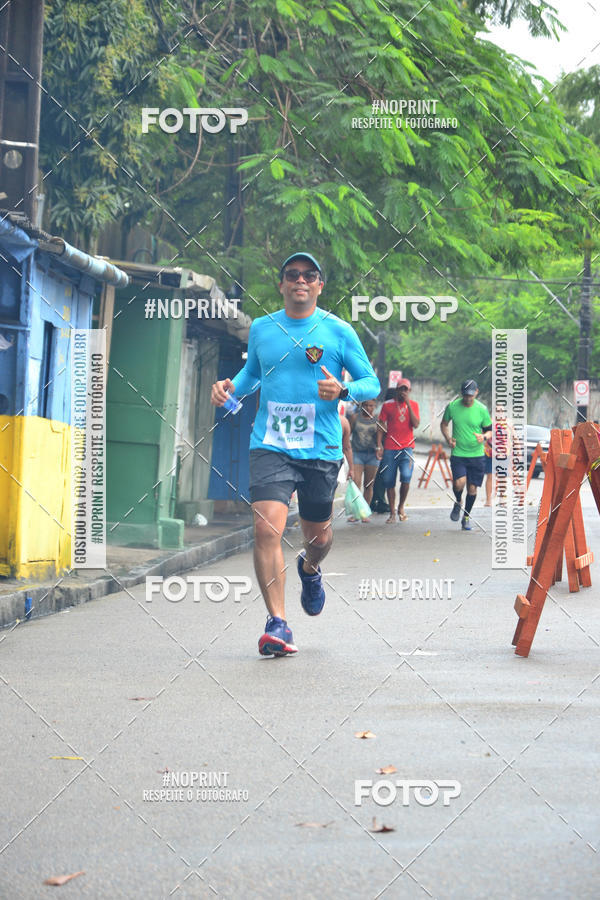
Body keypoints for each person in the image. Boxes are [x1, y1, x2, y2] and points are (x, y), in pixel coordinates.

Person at [211, 251, 380, 656]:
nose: (300, 281)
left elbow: (370, 382)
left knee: (318, 538)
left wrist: (345, 391)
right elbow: (253, 374)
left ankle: (310, 566)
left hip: (319, 450)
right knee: (266, 529)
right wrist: (229, 387)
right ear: (282, 284)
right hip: (270, 445)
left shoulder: (338, 332)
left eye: (309, 275)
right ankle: (278, 623)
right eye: (292, 275)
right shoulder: (263, 329)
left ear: (320, 285)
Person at [440, 379, 492, 530]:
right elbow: (444, 424)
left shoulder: (482, 409)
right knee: (458, 483)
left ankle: (466, 517)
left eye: (471, 395)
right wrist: (448, 438)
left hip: (477, 455)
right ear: (461, 393)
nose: (468, 398)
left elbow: (489, 429)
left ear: (476, 392)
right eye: (465, 395)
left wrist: (484, 437)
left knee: (472, 489)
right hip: (459, 453)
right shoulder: (452, 407)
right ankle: (458, 501)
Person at [376, 378, 420, 523]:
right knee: (389, 480)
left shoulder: (413, 405)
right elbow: (381, 425)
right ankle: (393, 512)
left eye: (406, 389)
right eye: (401, 389)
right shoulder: (388, 405)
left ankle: (401, 507)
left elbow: (416, 424)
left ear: (409, 391)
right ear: (397, 390)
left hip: (407, 447)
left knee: (406, 477)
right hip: (390, 447)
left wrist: (408, 404)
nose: (403, 392)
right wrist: (379, 445)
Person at [347, 399, 381, 515]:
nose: (368, 408)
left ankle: (365, 512)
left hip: (372, 455)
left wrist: (380, 449)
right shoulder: (354, 417)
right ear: (361, 406)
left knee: (368, 485)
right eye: (365, 405)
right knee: (356, 483)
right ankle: (356, 513)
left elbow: (382, 438)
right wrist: (346, 449)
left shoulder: (377, 420)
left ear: (375, 406)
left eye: (371, 405)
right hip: (357, 453)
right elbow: (348, 433)